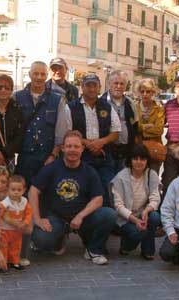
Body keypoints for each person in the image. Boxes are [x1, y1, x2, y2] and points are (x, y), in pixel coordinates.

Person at [29, 130, 117, 265]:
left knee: (109, 214)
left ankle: (93, 250)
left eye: (76, 146)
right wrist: (37, 218)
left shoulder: (89, 171)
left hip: (82, 219)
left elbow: (98, 199)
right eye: (69, 146)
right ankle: (58, 242)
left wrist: (81, 216)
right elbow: (33, 190)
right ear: (63, 148)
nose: (72, 150)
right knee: (41, 240)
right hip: (56, 217)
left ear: (82, 149)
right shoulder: (51, 168)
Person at [66, 74, 121, 206]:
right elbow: (67, 132)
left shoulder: (107, 107)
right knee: (82, 189)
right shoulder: (71, 107)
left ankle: (106, 219)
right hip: (81, 157)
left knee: (108, 189)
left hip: (104, 157)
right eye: (88, 85)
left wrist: (101, 142)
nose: (91, 89)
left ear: (99, 88)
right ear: (82, 87)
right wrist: (89, 144)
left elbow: (115, 132)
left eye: (94, 86)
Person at [14, 61, 68, 188]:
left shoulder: (58, 100)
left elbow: (61, 133)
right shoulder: (16, 97)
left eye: (42, 74)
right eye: (35, 73)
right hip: (24, 158)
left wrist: (53, 155)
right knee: (23, 195)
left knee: (45, 194)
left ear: (47, 76)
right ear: (29, 74)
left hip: (47, 157)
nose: (39, 77)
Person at [111, 144, 161, 260]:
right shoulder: (120, 177)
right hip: (125, 218)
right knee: (139, 232)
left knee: (154, 217)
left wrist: (147, 210)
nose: (139, 162)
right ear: (130, 160)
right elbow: (118, 206)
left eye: (142, 159)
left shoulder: (151, 174)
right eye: (135, 158)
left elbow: (155, 197)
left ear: (147, 160)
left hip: (142, 214)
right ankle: (126, 246)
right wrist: (135, 220)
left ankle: (148, 251)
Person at [100, 70, 138, 176]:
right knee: (108, 183)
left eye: (122, 84)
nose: (118, 86)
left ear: (125, 86)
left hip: (125, 152)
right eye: (115, 83)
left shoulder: (130, 103)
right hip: (106, 152)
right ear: (109, 84)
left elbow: (135, 126)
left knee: (123, 184)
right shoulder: (100, 103)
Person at [0, 175, 32, 270]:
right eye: (13, 189)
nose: (16, 192)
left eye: (19, 190)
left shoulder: (24, 201)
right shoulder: (4, 203)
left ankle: (14, 262)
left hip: (17, 230)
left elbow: (29, 212)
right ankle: (3, 263)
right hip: (5, 230)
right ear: (8, 190)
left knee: (16, 247)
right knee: (4, 247)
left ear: (24, 190)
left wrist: (26, 222)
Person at [135, 78, 165, 174]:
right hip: (137, 148)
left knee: (153, 179)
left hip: (154, 149)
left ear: (153, 93)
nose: (145, 94)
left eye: (148, 91)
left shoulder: (159, 109)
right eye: (142, 91)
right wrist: (146, 126)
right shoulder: (134, 107)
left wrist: (140, 128)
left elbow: (159, 130)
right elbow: (132, 127)